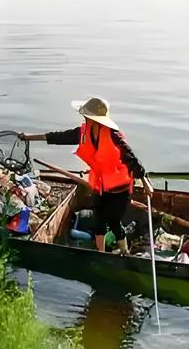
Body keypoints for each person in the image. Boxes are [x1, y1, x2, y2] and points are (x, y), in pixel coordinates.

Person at [21, 97, 151, 253]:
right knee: (99, 222)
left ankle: (125, 253)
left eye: (88, 116)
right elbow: (59, 137)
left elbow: (133, 161)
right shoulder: (84, 132)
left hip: (120, 190)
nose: (84, 118)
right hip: (100, 187)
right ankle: (101, 254)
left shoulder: (114, 137)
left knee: (114, 222)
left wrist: (145, 182)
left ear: (96, 120)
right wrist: (29, 137)